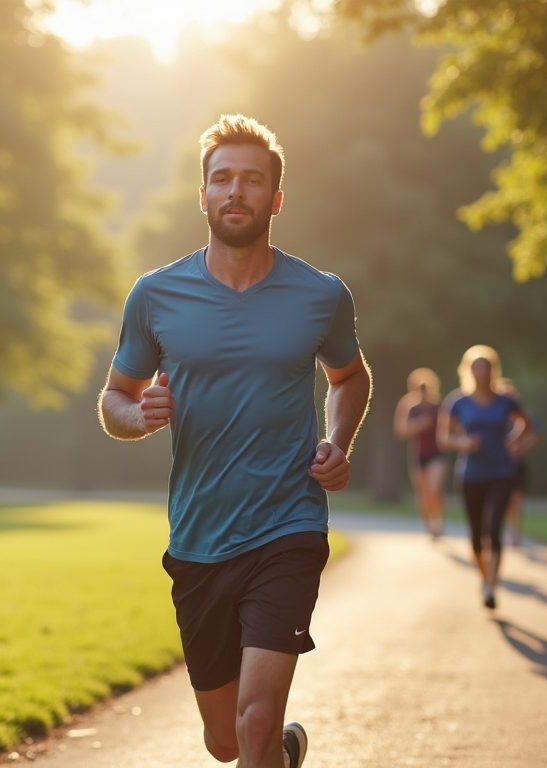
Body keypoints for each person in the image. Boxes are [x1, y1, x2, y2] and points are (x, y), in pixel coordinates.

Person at [98, 114, 370, 768]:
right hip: (198, 537)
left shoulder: (320, 295)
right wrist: (140, 416)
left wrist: (338, 441)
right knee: (226, 742)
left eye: (251, 180)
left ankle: (268, 743)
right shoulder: (155, 295)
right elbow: (113, 400)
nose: (235, 191)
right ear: (203, 197)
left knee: (255, 721)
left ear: (276, 199)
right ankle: (281, 754)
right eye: (222, 179)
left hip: (288, 525)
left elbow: (350, 377)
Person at [438, 345, 535, 610]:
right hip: (470, 474)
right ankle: (485, 579)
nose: (481, 372)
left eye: (486, 367)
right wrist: (463, 443)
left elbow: (526, 423)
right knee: (476, 536)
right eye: (476, 367)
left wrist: (515, 440)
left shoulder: (506, 400)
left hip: (501, 472)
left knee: (493, 530)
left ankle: (491, 587)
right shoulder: (458, 402)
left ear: (493, 371)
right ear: (468, 371)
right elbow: (444, 438)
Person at [394, 368, 447, 539]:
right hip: (418, 455)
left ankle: (437, 522)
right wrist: (419, 424)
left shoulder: (438, 406)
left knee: (433, 489)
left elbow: (449, 427)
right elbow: (401, 430)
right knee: (423, 492)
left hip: (437, 453)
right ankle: (428, 524)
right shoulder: (409, 406)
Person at [495, 379, 540, 547]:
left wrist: (521, 447)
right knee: (500, 500)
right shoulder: (496, 416)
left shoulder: (525, 415)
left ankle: (515, 533)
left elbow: (535, 436)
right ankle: (498, 531)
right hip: (497, 465)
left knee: (516, 500)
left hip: (518, 463)